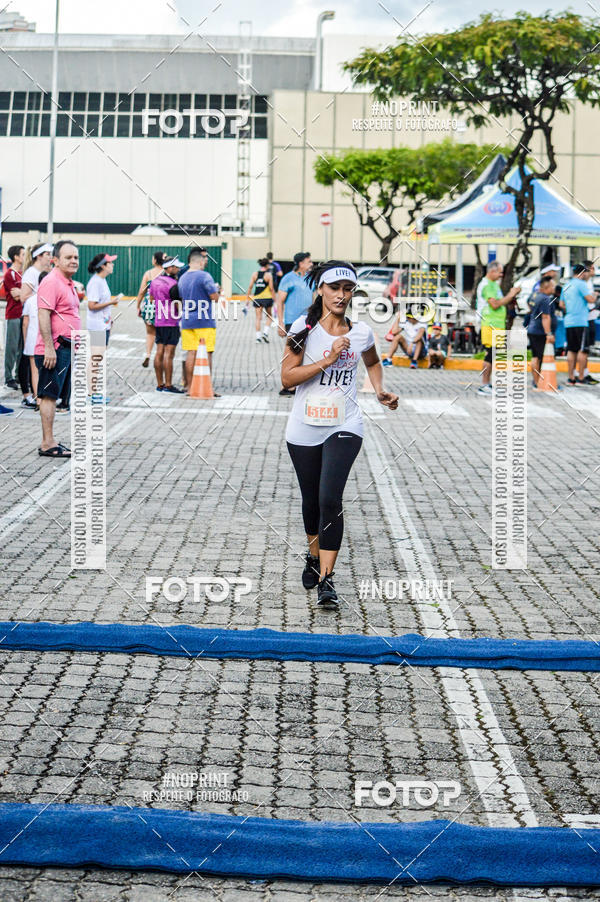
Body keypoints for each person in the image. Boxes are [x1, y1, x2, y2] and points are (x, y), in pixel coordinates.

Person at [282, 260, 398, 610]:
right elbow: (287, 379)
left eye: (348, 289)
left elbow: (373, 362)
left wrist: (379, 390)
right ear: (321, 290)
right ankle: (313, 555)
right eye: (335, 288)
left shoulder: (361, 332)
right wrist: (328, 360)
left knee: (330, 498)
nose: (342, 295)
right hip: (304, 426)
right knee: (311, 501)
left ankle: (326, 581)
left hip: (345, 425)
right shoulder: (303, 327)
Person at [35, 240, 80, 458]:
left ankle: (50, 439)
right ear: (56, 260)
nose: (74, 261)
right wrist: (49, 349)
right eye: (68, 257)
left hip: (66, 347)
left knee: (54, 396)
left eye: (76, 257)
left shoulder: (67, 282)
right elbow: (43, 314)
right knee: (49, 396)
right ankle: (47, 443)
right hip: (54, 348)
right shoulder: (52, 281)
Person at [178, 247, 220, 392]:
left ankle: (190, 387)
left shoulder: (182, 278)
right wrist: (217, 290)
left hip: (187, 320)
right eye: (205, 260)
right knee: (207, 353)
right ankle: (206, 387)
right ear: (200, 261)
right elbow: (214, 298)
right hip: (204, 321)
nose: (206, 262)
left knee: (191, 353)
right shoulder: (205, 277)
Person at [476, 260, 521, 395]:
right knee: (489, 354)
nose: (501, 275)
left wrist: (511, 296)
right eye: (500, 272)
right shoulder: (487, 285)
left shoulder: (493, 285)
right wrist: (511, 294)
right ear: (492, 271)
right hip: (490, 324)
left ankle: (487, 384)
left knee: (492, 355)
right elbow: (495, 304)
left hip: (496, 324)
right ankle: (484, 384)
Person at [276, 252, 313, 396]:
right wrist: (280, 322)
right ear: (301, 264)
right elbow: (280, 301)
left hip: (309, 321)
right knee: (292, 353)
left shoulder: (311, 278)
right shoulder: (288, 278)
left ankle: (299, 384)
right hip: (293, 322)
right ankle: (287, 385)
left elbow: (315, 297)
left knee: (307, 352)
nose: (311, 264)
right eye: (308, 262)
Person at [86, 252, 119, 402]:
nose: (112, 265)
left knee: (98, 359)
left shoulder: (102, 281)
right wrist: (111, 303)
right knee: (95, 359)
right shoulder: (95, 282)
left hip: (103, 324)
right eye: (110, 263)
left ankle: (93, 392)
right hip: (97, 326)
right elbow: (92, 305)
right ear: (103, 266)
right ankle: (91, 394)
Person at [150, 256, 184, 393]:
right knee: (169, 354)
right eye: (176, 267)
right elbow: (179, 302)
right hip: (171, 321)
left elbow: (152, 299)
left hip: (159, 321)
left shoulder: (155, 282)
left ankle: (160, 384)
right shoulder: (174, 284)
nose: (178, 269)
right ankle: (169, 385)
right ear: (169, 268)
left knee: (159, 351)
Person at [562, 261, 598, 386]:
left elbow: (562, 304)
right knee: (583, 350)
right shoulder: (581, 284)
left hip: (568, 321)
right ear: (582, 273)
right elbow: (590, 300)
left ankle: (571, 378)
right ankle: (581, 377)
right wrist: (595, 295)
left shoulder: (566, 285)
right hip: (581, 321)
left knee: (571, 350)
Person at [22, 270, 48, 406]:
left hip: (32, 339)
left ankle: (38, 399)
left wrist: (25, 341)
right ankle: (46, 398)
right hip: (46, 339)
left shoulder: (31, 300)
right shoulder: (48, 299)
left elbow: (25, 322)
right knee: (46, 370)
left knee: (35, 371)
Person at [527, 274, 558, 389]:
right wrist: (549, 333)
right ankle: (537, 382)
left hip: (533, 329)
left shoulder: (535, 295)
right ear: (546, 287)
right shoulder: (545, 298)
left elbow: (529, 305)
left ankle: (537, 381)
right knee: (538, 357)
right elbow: (545, 317)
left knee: (536, 356)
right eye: (552, 286)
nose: (554, 289)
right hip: (539, 332)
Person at [3, 244, 25, 392]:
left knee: (21, 348)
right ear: (16, 257)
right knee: (11, 348)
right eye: (22, 254)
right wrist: (24, 293)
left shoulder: (23, 274)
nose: (24, 257)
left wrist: (22, 292)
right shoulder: (9, 274)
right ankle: (8, 377)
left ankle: (18, 375)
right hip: (13, 315)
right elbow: (16, 296)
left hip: (23, 315)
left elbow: (23, 294)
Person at [136, 251, 165, 368]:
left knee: (150, 333)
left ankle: (148, 354)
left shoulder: (148, 273)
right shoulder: (166, 273)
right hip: (162, 306)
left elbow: (141, 291)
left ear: (154, 260)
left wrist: (138, 305)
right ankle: (159, 357)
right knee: (161, 334)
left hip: (149, 305)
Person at [246, 259, 274, 343]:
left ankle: (258, 337)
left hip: (257, 298)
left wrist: (247, 298)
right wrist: (274, 299)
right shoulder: (269, 275)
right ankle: (265, 333)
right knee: (269, 316)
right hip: (267, 298)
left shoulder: (255, 274)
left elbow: (250, 287)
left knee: (258, 318)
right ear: (267, 266)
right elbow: (271, 288)